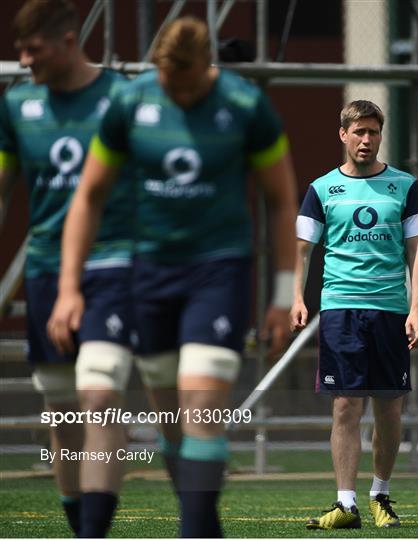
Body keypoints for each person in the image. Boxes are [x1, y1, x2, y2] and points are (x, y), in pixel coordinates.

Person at [47, 15, 298, 538]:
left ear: (206, 69)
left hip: (219, 271)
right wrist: (69, 286)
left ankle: (193, 531)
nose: (175, 92)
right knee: (171, 418)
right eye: (166, 80)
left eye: (185, 83)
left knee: (202, 400)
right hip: (151, 274)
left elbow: (279, 200)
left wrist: (279, 293)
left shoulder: (246, 107)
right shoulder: (131, 103)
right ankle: (204, 526)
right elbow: (89, 195)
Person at [0, 1, 135, 537]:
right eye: (19, 51)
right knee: (61, 410)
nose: (24, 60)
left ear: (69, 39)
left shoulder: (123, 98)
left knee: (100, 394)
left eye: (34, 50)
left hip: (113, 266)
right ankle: (79, 523)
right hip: (44, 271)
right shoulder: (17, 105)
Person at [291, 100, 418, 530]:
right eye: (359, 132)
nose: (366, 140)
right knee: (346, 407)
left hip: (389, 310)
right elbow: (301, 249)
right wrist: (297, 297)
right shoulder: (321, 188)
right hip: (340, 309)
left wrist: (417, 308)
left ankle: (380, 495)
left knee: (389, 408)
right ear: (343, 135)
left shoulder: (403, 186)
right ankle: (346, 503)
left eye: (373, 132)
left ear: (379, 135)